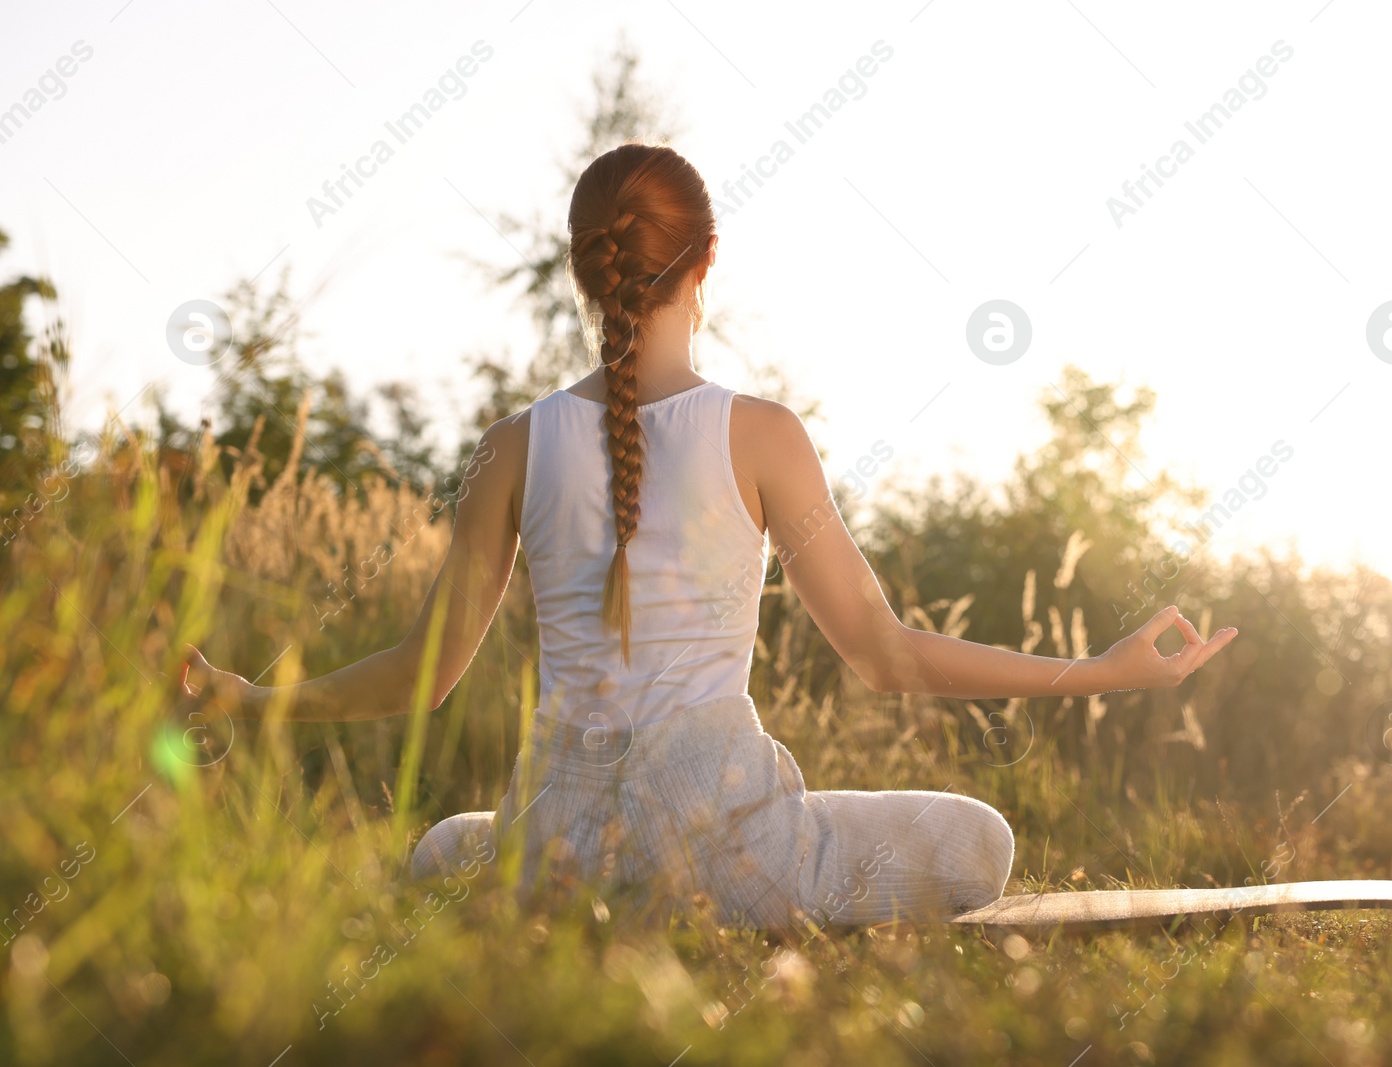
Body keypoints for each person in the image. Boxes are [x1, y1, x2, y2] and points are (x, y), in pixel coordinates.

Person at [178, 143, 1237, 928]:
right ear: (708, 258)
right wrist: (1099, 669)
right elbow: (885, 654)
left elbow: (421, 677)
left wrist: (254, 698)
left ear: (583, 271)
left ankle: (576, 892)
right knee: (981, 838)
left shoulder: (509, 447)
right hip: (729, 849)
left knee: (450, 846)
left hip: (557, 843)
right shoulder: (763, 435)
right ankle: (713, 886)